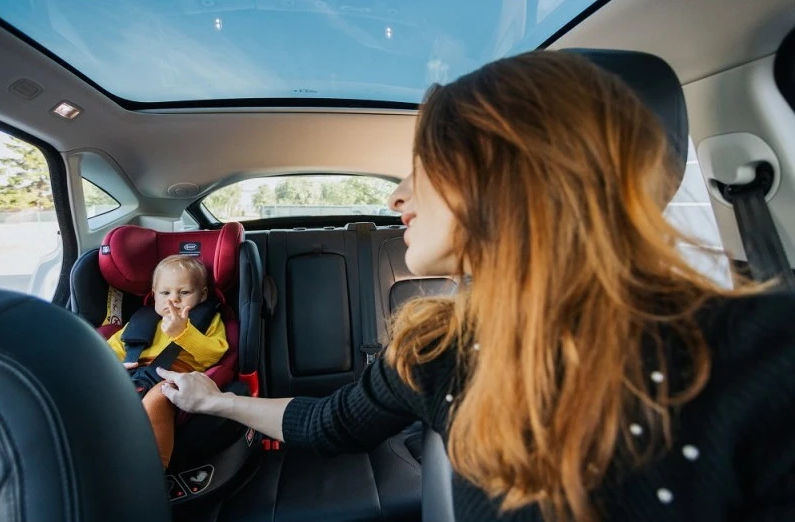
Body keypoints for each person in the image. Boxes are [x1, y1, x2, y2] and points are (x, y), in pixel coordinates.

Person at [156, 51, 795, 522]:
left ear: (509, 174)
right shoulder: (440, 348)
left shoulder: (766, 353)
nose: (397, 196)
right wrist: (216, 401)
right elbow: (330, 422)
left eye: (423, 167)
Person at [107, 254, 228, 468]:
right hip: (133, 373)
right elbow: (109, 350)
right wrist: (112, 367)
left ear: (202, 295)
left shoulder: (206, 321)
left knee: (159, 398)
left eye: (184, 292)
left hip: (177, 377)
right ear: (154, 295)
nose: (173, 300)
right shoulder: (141, 321)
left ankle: (152, 470)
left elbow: (214, 353)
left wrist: (184, 333)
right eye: (165, 293)